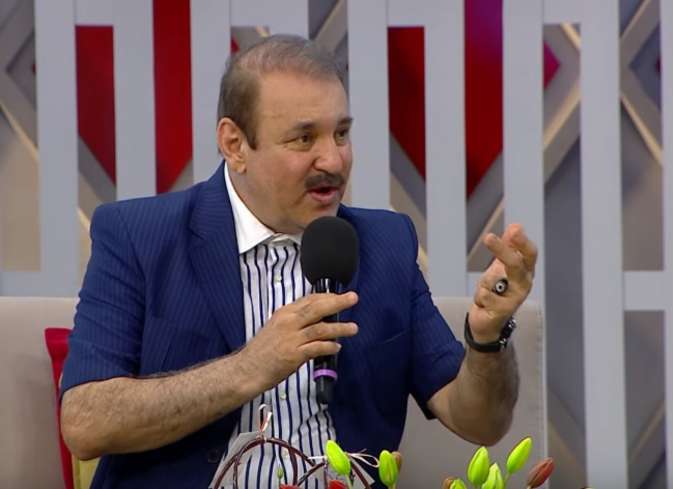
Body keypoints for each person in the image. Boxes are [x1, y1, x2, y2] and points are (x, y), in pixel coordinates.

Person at [59, 35, 536, 489]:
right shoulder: (140, 236)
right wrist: (250, 367)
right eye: (304, 139)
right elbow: (85, 423)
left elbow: (479, 422)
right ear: (235, 145)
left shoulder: (385, 242)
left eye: (341, 133)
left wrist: (487, 337)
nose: (333, 160)